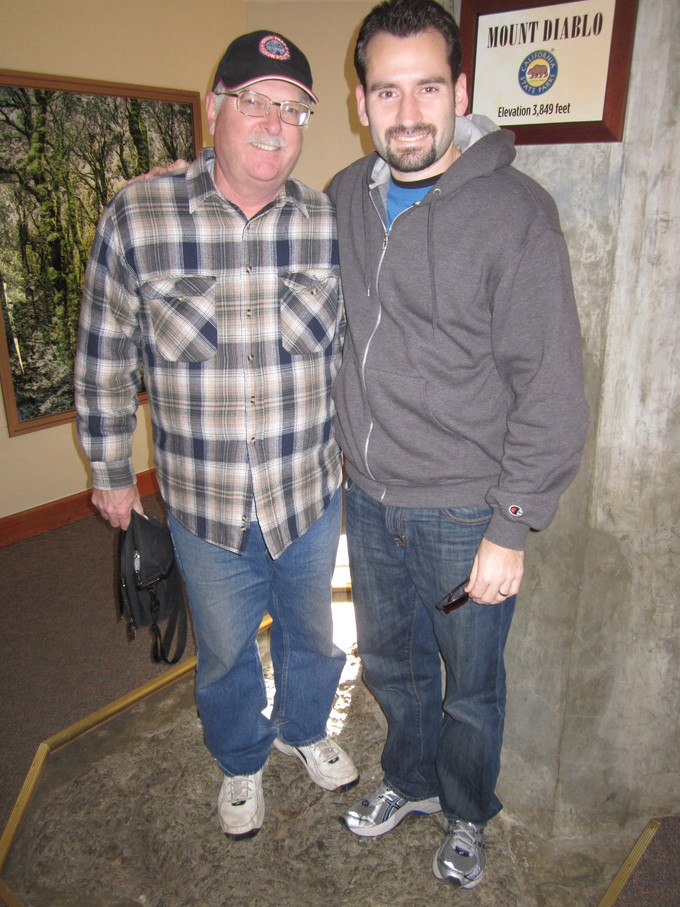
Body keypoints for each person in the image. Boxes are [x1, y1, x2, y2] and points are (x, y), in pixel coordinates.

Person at [326, 0, 589, 890]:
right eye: (387, 91)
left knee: (470, 685)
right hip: (370, 497)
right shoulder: (341, 199)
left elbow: (550, 384)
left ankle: (470, 809)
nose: (408, 113)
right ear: (363, 101)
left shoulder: (516, 212)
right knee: (394, 666)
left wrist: (511, 525)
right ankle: (409, 780)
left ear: (461, 91)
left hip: (464, 509)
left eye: (428, 87)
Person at [74, 30, 358, 841]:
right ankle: (240, 758)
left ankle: (306, 729)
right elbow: (104, 353)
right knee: (227, 651)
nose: (275, 124)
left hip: (307, 492)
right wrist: (110, 468)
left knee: (315, 633)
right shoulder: (138, 214)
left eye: (293, 109)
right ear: (214, 109)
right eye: (255, 102)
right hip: (204, 504)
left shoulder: (328, 222)